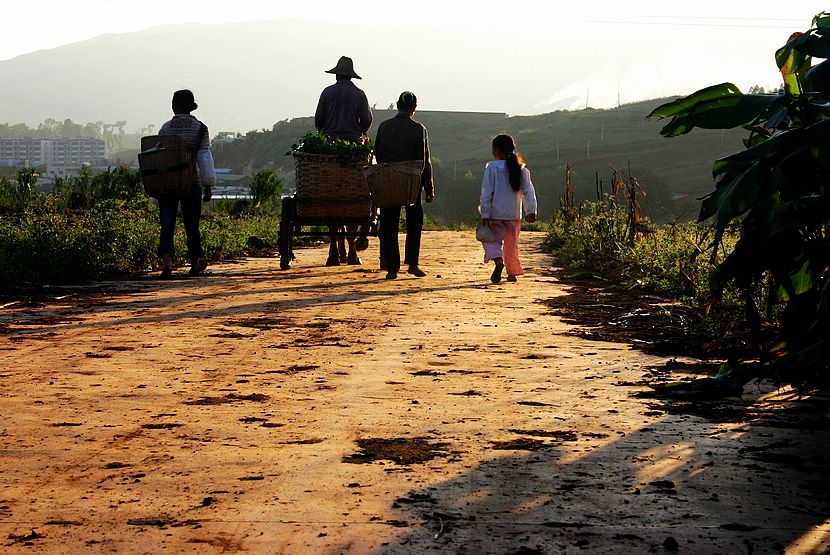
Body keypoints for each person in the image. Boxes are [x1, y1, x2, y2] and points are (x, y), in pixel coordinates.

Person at [314, 56, 373, 265]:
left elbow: (318, 122)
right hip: (354, 148)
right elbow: (366, 122)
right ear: (350, 76)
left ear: (337, 75)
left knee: (328, 192)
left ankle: (333, 250)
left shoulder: (327, 93)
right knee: (357, 192)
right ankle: (352, 252)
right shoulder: (359, 94)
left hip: (328, 147)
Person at [374, 91, 434, 280]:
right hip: (411, 182)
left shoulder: (384, 127)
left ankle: (393, 268)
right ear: (414, 109)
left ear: (397, 105)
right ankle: (413, 264)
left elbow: (378, 154)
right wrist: (429, 187)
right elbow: (424, 161)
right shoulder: (419, 129)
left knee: (389, 225)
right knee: (414, 223)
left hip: (389, 181)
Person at [157, 89, 216, 279]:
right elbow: (204, 158)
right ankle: (195, 263)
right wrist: (208, 185)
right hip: (191, 183)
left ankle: (167, 263)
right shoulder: (200, 128)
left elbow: (160, 155)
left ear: (174, 106)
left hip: (167, 184)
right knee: (192, 224)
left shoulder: (166, 128)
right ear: (191, 106)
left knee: (167, 223)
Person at [479, 134, 537, 284]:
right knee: (512, 245)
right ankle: (512, 273)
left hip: (495, 214)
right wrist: (531, 211)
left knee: (491, 240)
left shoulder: (492, 168)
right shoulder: (521, 169)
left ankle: (498, 260)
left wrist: (485, 213)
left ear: (496, 150)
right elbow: (528, 191)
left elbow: (486, 192)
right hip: (513, 214)